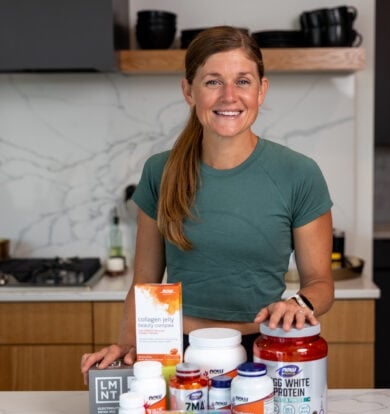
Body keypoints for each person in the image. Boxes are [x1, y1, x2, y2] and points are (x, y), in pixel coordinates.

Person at [81, 26, 334, 383]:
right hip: (174, 355)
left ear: (262, 90)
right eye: (213, 82)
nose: (229, 96)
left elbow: (321, 283)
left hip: (263, 353)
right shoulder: (160, 171)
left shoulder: (299, 174)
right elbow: (145, 284)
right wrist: (126, 350)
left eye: (243, 81)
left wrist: (298, 305)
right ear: (189, 90)